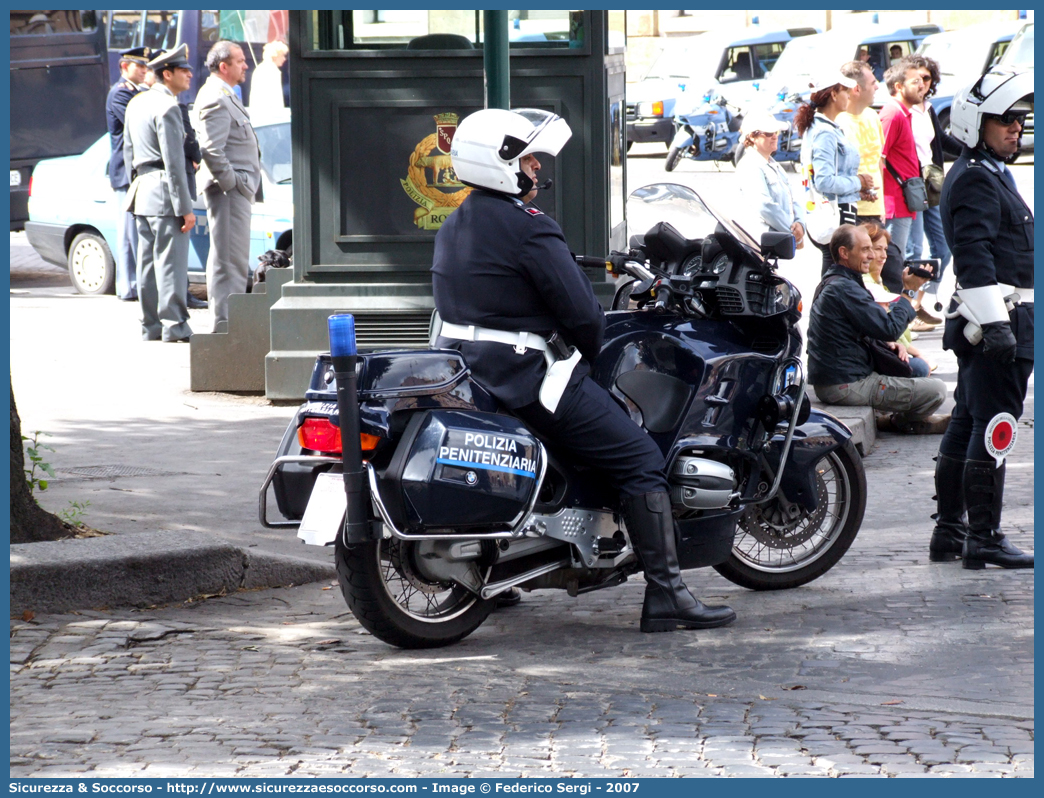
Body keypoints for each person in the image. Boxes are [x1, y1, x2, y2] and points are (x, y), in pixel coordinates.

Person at [431, 108, 736, 633]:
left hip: (470, 370)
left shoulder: (458, 221)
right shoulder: (529, 228)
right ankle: (667, 594)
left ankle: (497, 574)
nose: (535, 171)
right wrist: (595, 351)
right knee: (641, 458)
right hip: (526, 376)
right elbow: (582, 315)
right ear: (500, 164)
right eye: (528, 161)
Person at [931, 66, 1034, 570]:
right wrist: (996, 325)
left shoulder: (987, 170)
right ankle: (984, 537)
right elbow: (973, 253)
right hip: (998, 318)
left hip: (992, 315)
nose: (1017, 127)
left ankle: (951, 532)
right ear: (977, 122)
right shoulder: (975, 177)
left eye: (1021, 119)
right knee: (994, 425)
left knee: (969, 420)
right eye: (1007, 119)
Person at [807, 224, 948, 434]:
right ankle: (900, 421)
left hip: (839, 379)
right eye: (865, 249)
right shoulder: (843, 288)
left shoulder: (839, 282)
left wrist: (891, 344)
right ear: (844, 253)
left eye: (872, 249)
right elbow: (890, 328)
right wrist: (908, 292)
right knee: (936, 390)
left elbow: (877, 330)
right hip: (845, 386)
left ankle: (899, 418)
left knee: (914, 370)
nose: (872, 255)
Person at [122, 45, 196, 343]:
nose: (190, 74)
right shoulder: (167, 107)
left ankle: (151, 325)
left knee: (148, 264)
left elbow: (129, 153)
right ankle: (174, 325)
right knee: (170, 264)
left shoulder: (136, 104)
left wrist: (135, 188)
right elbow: (175, 162)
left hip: (143, 191)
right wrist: (185, 207)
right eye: (183, 70)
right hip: (165, 192)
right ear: (167, 74)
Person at [193, 40, 263, 333]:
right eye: (240, 60)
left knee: (232, 260)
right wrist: (232, 183)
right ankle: (225, 328)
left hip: (235, 190)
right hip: (229, 192)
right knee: (228, 262)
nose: (246, 65)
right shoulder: (214, 96)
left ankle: (228, 325)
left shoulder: (224, 94)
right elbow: (211, 148)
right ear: (224, 66)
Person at [797, 69, 874, 275]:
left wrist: (856, 191)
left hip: (833, 210)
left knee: (837, 273)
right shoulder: (824, 132)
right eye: (845, 90)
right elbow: (824, 181)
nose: (849, 94)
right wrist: (859, 182)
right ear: (833, 94)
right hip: (835, 215)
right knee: (839, 274)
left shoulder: (823, 128)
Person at [902, 54, 962, 319]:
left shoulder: (927, 108)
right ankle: (908, 306)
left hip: (932, 183)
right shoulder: (900, 111)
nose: (923, 84)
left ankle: (920, 296)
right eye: (917, 79)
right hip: (911, 186)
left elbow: (942, 142)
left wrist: (973, 148)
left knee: (943, 247)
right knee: (912, 249)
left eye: (926, 78)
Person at [106, 46, 151, 301]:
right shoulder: (120, 94)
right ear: (124, 67)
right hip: (125, 171)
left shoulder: (136, 92)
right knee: (128, 232)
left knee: (130, 232)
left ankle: (130, 285)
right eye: (139, 66)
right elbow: (139, 122)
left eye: (145, 66)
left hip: (130, 170)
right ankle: (129, 286)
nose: (144, 70)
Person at [862, 223, 933, 377]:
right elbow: (889, 330)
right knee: (922, 369)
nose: (883, 256)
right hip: (869, 358)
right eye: (877, 249)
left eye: (885, 249)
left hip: (880, 349)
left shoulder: (878, 281)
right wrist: (909, 290)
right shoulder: (866, 283)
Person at [736, 112, 804, 247]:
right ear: (752, 137)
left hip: (779, 241)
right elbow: (764, 205)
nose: (774, 136)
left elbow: (793, 199)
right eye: (768, 133)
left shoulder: (775, 165)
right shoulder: (750, 165)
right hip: (761, 244)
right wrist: (792, 231)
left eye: (776, 132)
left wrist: (800, 224)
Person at [836, 60, 884, 225]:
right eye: (872, 83)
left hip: (875, 210)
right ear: (856, 88)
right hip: (850, 210)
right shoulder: (837, 122)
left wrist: (882, 207)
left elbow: (879, 160)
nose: (877, 86)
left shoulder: (873, 116)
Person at [248, 40, 289, 115]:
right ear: (275, 56)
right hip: (269, 115)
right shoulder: (270, 70)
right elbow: (275, 98)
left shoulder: (262, 68)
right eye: (282, 55)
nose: (284, 59)